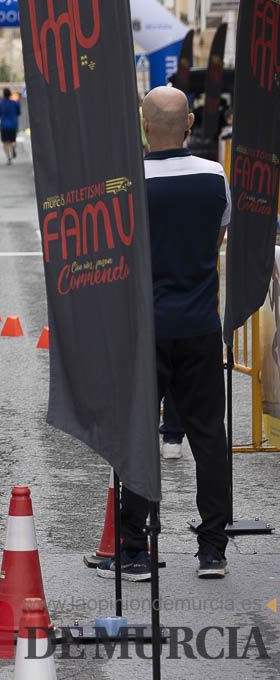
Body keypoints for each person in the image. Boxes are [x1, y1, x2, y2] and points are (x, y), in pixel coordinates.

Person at [98, 85, 232, 582]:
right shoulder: (215, 175)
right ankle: (213, 548)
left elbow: (116, 254)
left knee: (136, 437)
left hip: (145, 327)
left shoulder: (126, 183)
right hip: (199, 324)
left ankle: (134, 548)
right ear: (191, 123)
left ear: (143, 124)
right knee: (207, 435)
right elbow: (218, 235)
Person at [0, 88, 21, 165]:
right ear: (10, 94)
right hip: (13, 125)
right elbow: (18, 113)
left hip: (3, 125)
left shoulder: (1, 104)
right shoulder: (15, 103)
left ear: (3, 95)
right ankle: (13, 148)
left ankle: (8, 158)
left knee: (5, 142)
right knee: (13, 140)